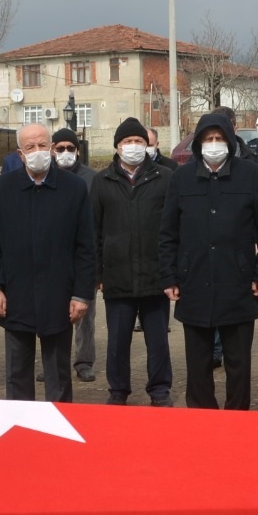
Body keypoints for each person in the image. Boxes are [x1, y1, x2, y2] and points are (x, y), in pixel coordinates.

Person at [161, 112, 258, 410]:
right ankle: (202, 421)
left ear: (229, 141)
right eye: (208, 139)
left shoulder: (251, 176)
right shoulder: (182, 178)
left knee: (238, 364)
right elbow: (168, 232)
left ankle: (237, 420)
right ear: (199, 144)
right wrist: (170, 276)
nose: (214, 145)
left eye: (219, 139)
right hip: (193, 282)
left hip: (238, 283)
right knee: (198, 366)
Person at [0, 123, 95, 402]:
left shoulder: (75, 188)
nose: (37, 152)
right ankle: (21, 430)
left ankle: (58, 426)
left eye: (43, 145)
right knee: (17, 373)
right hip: (15, 295)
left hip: (60, 295)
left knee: (58, 373)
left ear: (53, 149)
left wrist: (82, 294)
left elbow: (86, 247)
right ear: (20, 154)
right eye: (30, 147)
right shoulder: (1, 190)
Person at [92, 118, 174, 407]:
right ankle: (118, 391)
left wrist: (172, 272)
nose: (134, 147)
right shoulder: (101, 181)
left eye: (139, 142)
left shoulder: (165, 178)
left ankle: (160, 390)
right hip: (117, 276)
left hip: (156, 275)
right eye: (128, 142)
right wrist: (97, 273)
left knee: (158, 341)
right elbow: (95, 231)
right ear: (117, 146)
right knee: (117, 342)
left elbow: (174, 228)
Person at [51, 128, 99, 383]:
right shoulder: (44, 177)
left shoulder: (92, 179)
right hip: (53, 259)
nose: (65, 153)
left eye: (70, 148)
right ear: (52, 149)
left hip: (82, 256)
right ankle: (53, 362)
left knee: (85, 314)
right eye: (60, 148)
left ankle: (83, 361)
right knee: (53, 315)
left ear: (78, 150)